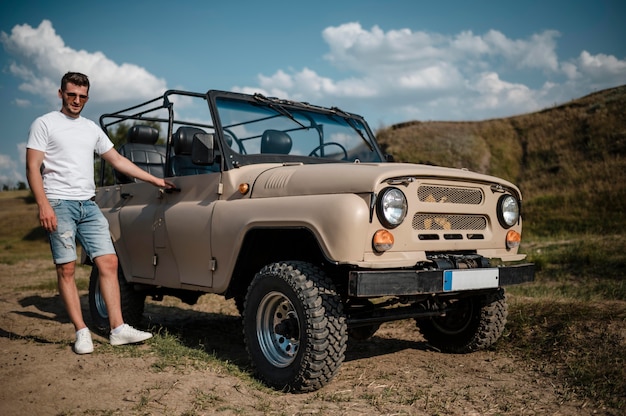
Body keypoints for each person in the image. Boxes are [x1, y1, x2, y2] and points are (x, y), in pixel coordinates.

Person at [25, 72, 175, 354]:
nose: (76, 101)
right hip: (59, 202)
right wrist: (43, 204)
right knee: (66, 268)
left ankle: (117, 328)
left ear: (87, 97)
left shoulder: (91, 128)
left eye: (82, 96)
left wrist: (153, 180)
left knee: (109, 263)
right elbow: (33, 167)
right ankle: (81, 331)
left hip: (88, 204)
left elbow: (117, 159)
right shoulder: (44, 123)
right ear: (61, 93)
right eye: (71, 95)